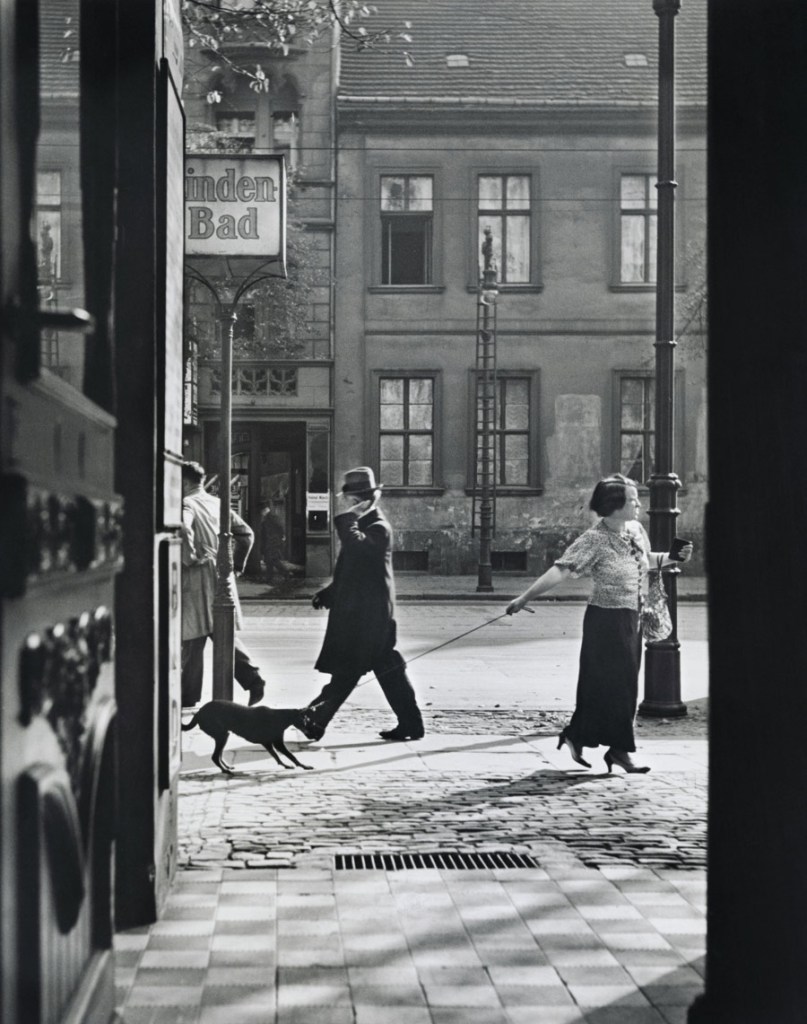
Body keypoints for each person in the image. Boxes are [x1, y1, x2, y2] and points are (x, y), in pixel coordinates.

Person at [507, 473, 693, 773]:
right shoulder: (594, 539)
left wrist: (674, 557)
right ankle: (611, 747)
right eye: (632, 500)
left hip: (631, 617)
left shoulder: (634, 530)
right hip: (604, 622)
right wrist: (525, 598)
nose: (638, 504)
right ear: (614, 505)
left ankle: (593, 740)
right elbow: (561, 571)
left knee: (620, 687)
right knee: (607, 687)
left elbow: (647, 561)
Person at [299, 466, 424, 742]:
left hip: (371, 619)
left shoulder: (378, 528)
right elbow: (355, 570)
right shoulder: (366, 527)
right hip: (364, 616)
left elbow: (357, 549)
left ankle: (313, 718)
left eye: (352, 500)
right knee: (380, 669)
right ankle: (411, 724)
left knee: (351, 670)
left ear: (365, 500)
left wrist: (349, 519)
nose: (348, 505)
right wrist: (329, 594)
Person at [181, 460, 267, 708]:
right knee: (219, 632)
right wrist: (236, 565)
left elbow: (183, 529)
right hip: (220, 575)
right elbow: (246, 534)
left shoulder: (186, 504)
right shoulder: (218, 503)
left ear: (185, 482)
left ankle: (188, 695)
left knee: (192, 635)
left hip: (196, 577)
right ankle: (253, 678)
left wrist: (190, 558)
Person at [258, 500, 288, 583]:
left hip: (272, 542)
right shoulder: (271, 517)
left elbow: (279, 528)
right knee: (269, 560)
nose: (261, 514)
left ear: (264, 510)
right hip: (271, 542)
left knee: (273, 560)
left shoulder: (270, 518)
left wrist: (282, 537)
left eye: (261, 511)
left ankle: (286, 573)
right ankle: (269, 578)